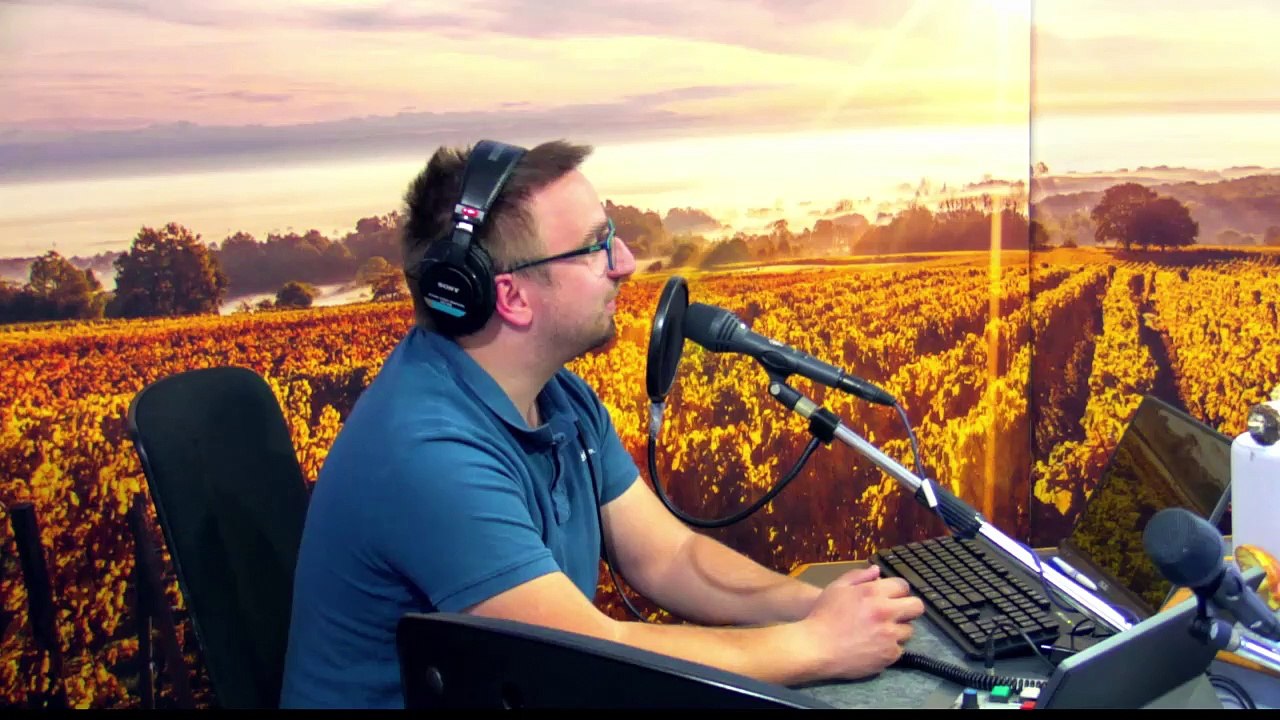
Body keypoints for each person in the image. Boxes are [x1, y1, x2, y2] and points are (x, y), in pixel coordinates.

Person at [280, 139, 924, 708]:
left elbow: (668, 557)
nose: (626, 260)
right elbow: (587, 654)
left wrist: (812, 605)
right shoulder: (426, 453)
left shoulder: (560, 397)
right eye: (595, 246)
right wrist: (814, 647)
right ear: (510, 295)